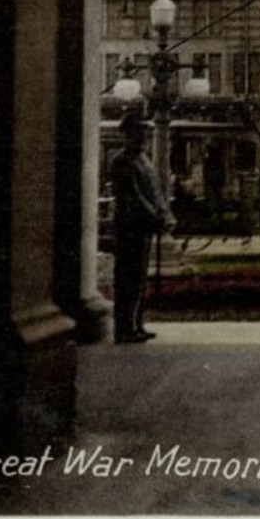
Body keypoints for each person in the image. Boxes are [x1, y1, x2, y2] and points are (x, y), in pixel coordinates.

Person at [109, 109, 175, 344]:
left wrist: (165, 214)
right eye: (138, 132)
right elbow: (134, 196)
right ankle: (124, 326)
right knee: (127, 279)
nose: (143, 137)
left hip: (142, 227)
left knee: (139, 279)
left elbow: (156, 193)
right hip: (129, 227)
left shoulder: (144, 161)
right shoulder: (122, 161)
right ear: (127, 134)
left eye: (145, 132)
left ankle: (136, 323)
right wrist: (155, 217)